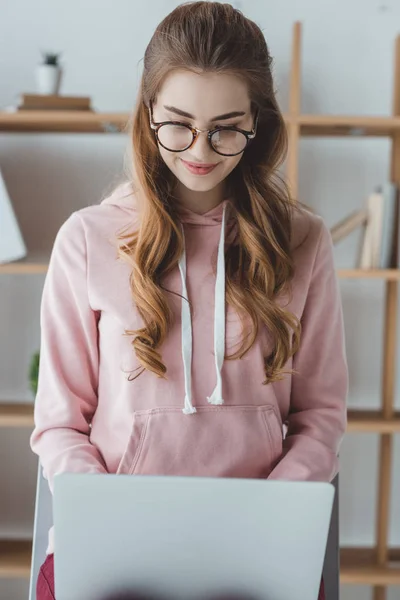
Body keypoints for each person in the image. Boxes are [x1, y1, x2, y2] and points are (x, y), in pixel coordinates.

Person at [31, 2, 348, 599]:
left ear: (259, 122)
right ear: (148, 113)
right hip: (114, 538)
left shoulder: (304, 239)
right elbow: (59, 424)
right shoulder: (87, 238)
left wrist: (274, 518)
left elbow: (320, 416)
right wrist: (102, 514)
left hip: (262, 539)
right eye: (177, 123)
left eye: (227, 126)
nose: (200, 149)